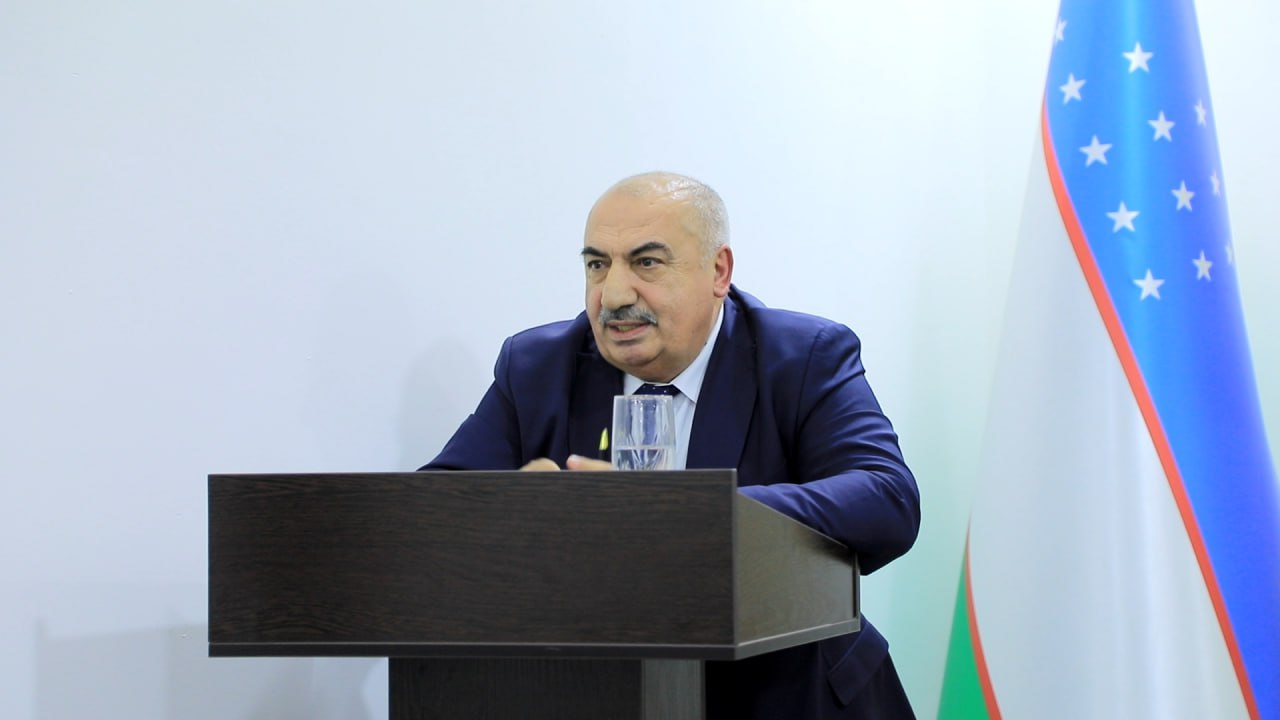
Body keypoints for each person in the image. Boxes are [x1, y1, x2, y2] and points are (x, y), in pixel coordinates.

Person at [424, 171, 920, 719]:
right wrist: (508, 509)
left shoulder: (802, 356)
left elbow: (886, 498)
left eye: (647, 263)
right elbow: (430, 510)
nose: (614, 294)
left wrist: (687, 514)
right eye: (597, 265)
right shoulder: (538, 366)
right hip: (606, 697)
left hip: (792, 696)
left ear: (718, 271)